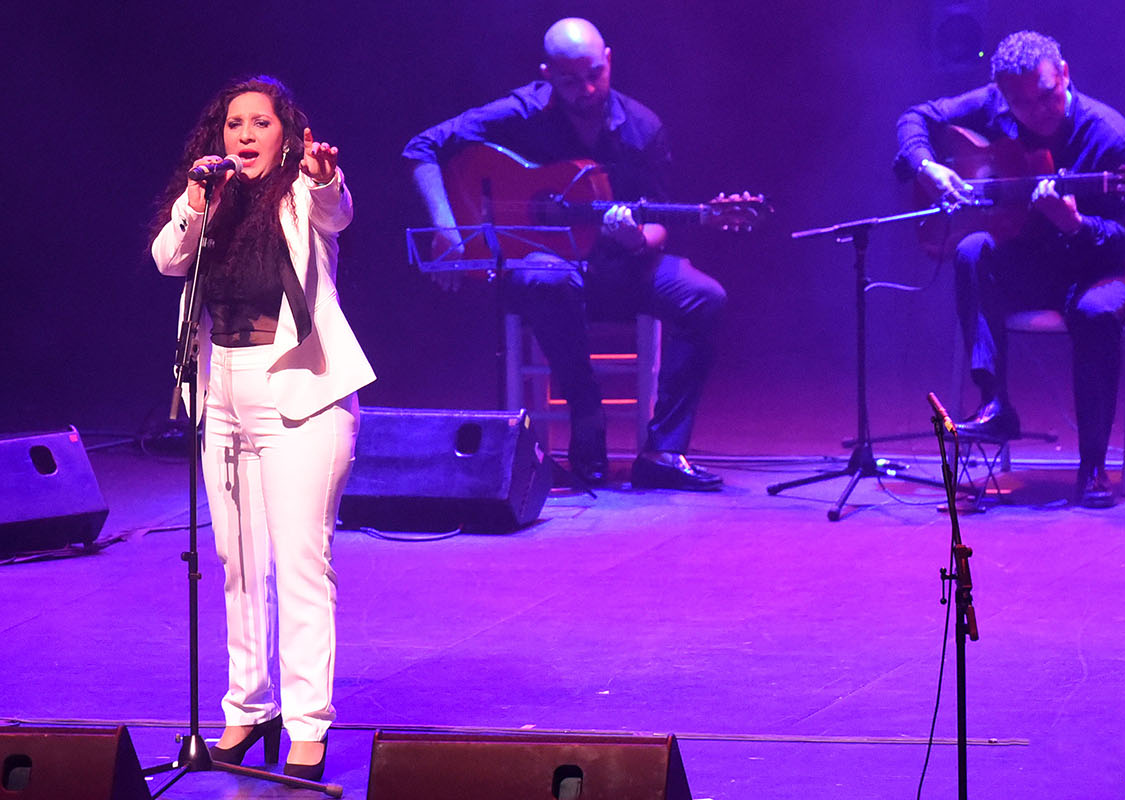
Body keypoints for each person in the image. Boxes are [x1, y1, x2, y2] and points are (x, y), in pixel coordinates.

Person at [149, 74, 375, 781]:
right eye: (234, 124)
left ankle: (307, 726)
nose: (245, 135)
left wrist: (326, 176)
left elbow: (337, 210)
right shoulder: (211, 202)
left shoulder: (303, 194)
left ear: (287, 135)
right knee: (235, 564)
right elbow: (166, 259)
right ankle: (247, 708)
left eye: (261, 124)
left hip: (301, 397)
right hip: (222, 392)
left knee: (300, 565)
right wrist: (194, 198)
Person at [403, 17, 727, 491]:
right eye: (570, 80)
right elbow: (424, 145)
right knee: (548, 277)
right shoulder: (523, 110)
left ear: (609, 60)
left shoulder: (641, 127)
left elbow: (658, 225)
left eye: (595, 73)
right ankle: (586, 413)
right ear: (547, 73)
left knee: (705, 296)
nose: (587, 88)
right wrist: (447, 227)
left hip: (621, 270)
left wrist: (637, 238)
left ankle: (663, 450)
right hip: (546, 279)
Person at [895, 30, 1125, 508]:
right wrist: (928, 167)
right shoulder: (995, 103)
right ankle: (995, 402)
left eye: (1046, 95)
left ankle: (1093, 465)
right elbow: (916, 118)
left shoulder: (1110, 136)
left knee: (1093, 314)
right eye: (1021, 103)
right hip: (1030, 259)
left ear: (1064, 74)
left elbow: (1123, 239)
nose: (1036, 110)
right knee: (972, 249)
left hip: (1099, 267)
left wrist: (1075, 223)